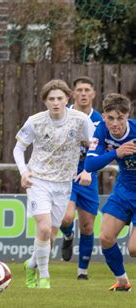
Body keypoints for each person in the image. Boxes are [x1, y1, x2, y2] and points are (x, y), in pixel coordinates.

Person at [13, 79, 95, 289]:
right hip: (38, 180)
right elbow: (18, 148)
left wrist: (88, 170)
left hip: (64, 183)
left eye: (60, 98)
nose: (56, 102)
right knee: (44, 229)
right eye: (51, 99)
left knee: (51, 234)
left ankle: (31, 264)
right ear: (45, 101)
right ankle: (44, 277)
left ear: (67, 98)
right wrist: (24, 172)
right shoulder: (35, 121)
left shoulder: (80, 120)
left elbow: (94, 145)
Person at [85, 93, 136, 292]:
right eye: (110, 118)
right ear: (104, 116)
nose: (115, 123)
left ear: (127, 116)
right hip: (123, 191)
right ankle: (123, 282)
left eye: (120, 118)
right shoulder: (101, 131)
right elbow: (89, 164)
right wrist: (117, 152)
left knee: (133, 250)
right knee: (105, 237)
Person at [59, 76, 103, 280]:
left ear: (93, 94)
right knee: (66, 217)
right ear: (73, 94)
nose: (83, 93)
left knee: (87, 225)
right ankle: (67, 235)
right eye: (80, 90)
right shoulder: (62, 115)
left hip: (88, 175)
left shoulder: (100, 120)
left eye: (87, 90)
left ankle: (82, 273)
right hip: (65, 174)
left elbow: (103, 148)